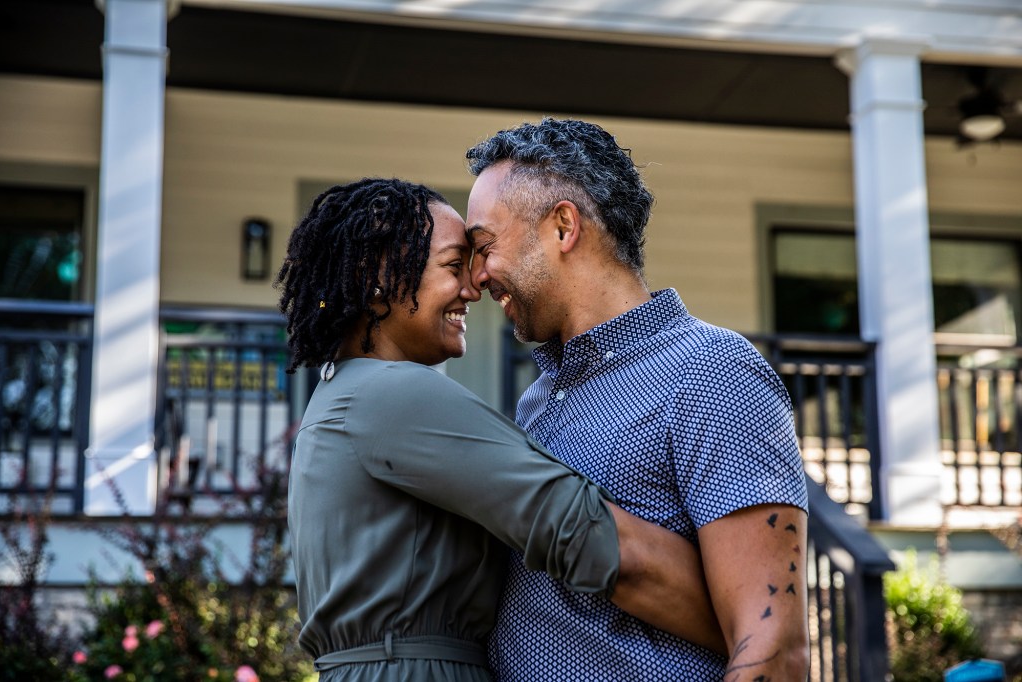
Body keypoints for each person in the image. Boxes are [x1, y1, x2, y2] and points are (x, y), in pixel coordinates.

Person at [275, 178, 725, 682]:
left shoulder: (343, 396)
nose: (473, 289)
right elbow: (589, 537)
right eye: (453, 266)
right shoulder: (393, 395)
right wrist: (748, 627)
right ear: (376, 276)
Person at [464, 118, 810, 681]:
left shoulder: (713, 372)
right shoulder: (536, 403)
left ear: (562, 227)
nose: (477, 277)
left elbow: (773, 646)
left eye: (485, 246)